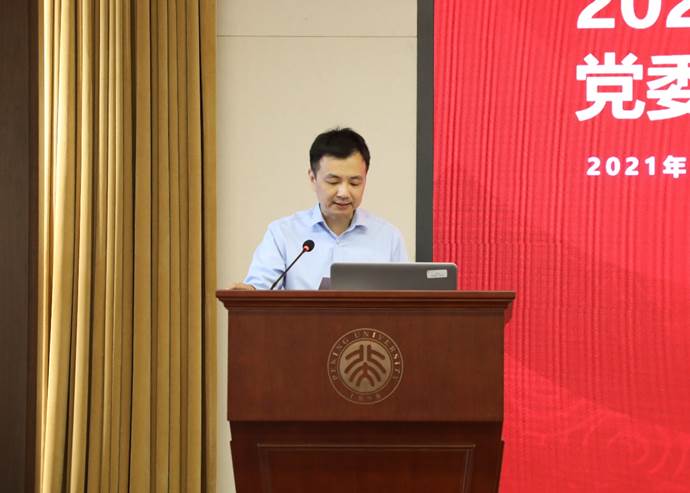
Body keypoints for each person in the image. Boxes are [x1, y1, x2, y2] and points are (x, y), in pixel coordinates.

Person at [232, 127, 408, 290]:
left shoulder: (388, 237)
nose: (343, 193)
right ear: (312, 178)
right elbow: (261, 288)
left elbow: (406, 299)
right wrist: (250, 292)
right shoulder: (283, 234)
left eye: (354, 183)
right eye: (333, 182)